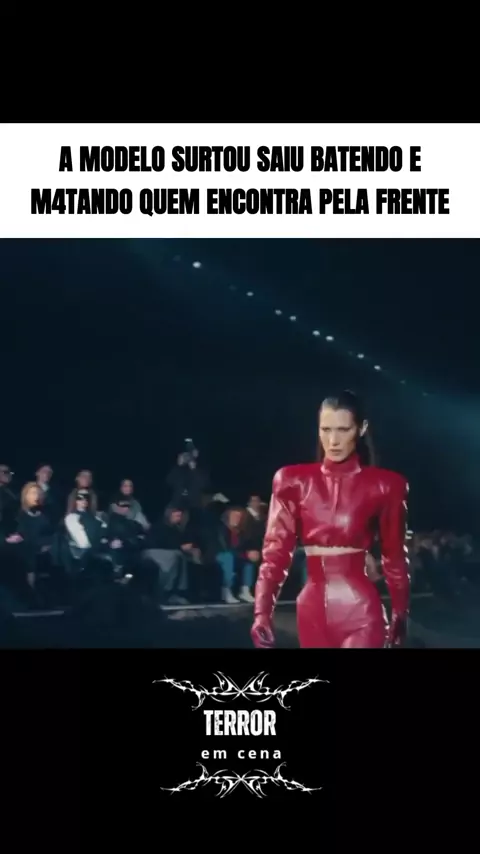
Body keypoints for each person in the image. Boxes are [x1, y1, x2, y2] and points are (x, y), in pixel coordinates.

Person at [251, 390, 410, 649]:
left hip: (361, 612)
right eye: (325, 429)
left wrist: (400, 612)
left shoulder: (386, 485)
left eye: (343, 430)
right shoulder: (292, 481)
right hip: (310, 611)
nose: (333, 440)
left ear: (361, 429)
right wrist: (261, 612)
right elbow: (275, 554)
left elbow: (394, 557)